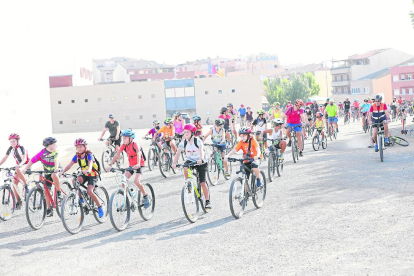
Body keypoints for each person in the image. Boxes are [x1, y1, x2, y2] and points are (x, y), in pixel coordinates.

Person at [59, 139, 104, 218]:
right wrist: (62, 172)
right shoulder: (77, 156)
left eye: (80, 146)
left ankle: (100, 206)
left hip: (93, 175)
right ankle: (80, 198)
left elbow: (90, 165)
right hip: (84, 174)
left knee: (89, 191)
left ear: (85, 147)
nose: (79, 148)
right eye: (77, 147)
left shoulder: (89, 155)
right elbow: (69, 165)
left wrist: (88, 170)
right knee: (75, 180)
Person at [107, 129, 150, 208]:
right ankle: (128, 201)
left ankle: (145, 196)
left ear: (131, 138)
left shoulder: (135, 144)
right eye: (123, 138)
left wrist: (138, 164)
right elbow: (117, 154)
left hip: (140, 164)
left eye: (125, 138)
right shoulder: (124, 145)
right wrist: (110, 164)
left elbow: (138, 153)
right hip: (131, 165)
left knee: (136, 181)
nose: (123, 140)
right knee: (123, 182)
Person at [172, 124, 211, 209]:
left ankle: (207, 201)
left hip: (200, 161)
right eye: (185, 132)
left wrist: (201, 159)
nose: (185, 134)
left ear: (192, 133)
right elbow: (178, 153)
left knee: (203, 183)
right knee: (185, 167)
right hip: (190, 160)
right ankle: (188, 182)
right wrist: (174, 163)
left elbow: (201, 151)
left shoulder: (198, 141)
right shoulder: (184, 142)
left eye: (188, 132)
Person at [21, 137, 61, 217]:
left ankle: (59, 192)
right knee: (46, 190)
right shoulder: (42, 153)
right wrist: (25, 168)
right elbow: (32, 160)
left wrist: (56, 168)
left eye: (55, 144)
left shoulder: (55, 152)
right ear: (48, 146)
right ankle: (49, 209)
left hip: (56, 170)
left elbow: (56, 160)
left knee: (54, 175)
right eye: (53, 145)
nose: (55, 146)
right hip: (47, 172)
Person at [0, 133, 29, 210]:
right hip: (18, 167)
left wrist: (20, 165)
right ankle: (18, 202)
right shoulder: (10, 148)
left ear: (17, 141)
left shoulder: (22, 147)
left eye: (14, 141)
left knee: (18, 170)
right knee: (14, 184)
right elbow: (4, 158)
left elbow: (24, 159)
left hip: (26, 165)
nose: (12, 143)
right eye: (11, 141)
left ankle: (26, 185)